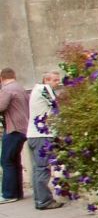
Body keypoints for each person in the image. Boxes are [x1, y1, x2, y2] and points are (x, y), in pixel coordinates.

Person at [26, 72, 60, 210]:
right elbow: (56, 106)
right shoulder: (43, 89)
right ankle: (44, 201)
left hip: (33, 135)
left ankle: (39, 199)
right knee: (42, 168)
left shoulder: (35, 90)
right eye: (55, 80)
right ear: (46, 80)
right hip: (41, 135)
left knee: (37, 169)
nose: (58, 83)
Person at [0, 69, 28, 204]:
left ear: (1, 78)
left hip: (13, 129)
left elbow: (1, 106)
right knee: (14, 160)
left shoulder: (7, 89)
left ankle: (9, 194)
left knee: (6, 161)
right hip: (23, 128)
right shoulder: (20, 87)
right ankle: (17, 192)